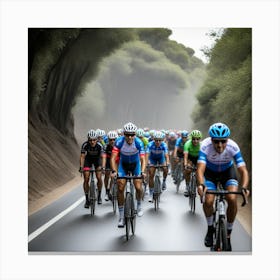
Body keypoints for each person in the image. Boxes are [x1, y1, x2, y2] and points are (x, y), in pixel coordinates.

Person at [196, 122, 250, 251]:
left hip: (227, 173)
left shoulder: (233, 147)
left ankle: (228, 234)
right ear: (211, 140)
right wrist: (201, 185)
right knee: (208, 200)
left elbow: (243, 170)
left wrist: (244, 188)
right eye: (216, 142)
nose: (220, 145)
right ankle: (210, 229)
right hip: (210, 174)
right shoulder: (205, 146)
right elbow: (200, 170)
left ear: (228, 140)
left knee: (231, 199)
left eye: (223, 141)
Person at [110, 122, 146, 228]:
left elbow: (143, 159)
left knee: (138, 187)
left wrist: (142, 172)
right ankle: (121, 216)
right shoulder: (119, 142)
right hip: (123, 165)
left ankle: (139, 205)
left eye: (132, 134)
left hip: (135, 165)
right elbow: (113, 158)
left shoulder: (139, 142)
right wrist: (113, 171)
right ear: (124, 134)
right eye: (127, 134)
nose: (130, 137)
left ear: (135, 134)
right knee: (120, 187)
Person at [79, 129, 104, 207]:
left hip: (97, 160)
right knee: (86, 178)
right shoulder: (85, 145)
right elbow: (82, 157)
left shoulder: (100, 145)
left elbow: (103, 157)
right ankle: (87, 200)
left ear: (97, 139)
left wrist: (102, 167)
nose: (92, 142)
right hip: (88, 160)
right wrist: (81, 167)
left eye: (94, 140)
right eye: (90, 140)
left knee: (99, 177)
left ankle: (99, 196)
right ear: (88, 139)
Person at [146, 131, 170, 202]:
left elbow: (166, 155)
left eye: (160, 140)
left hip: (161, 158)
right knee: (151, 175)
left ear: (162, 140)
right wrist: (148, 162)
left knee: (165, 168)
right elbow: (147, 155)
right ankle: (151, 194)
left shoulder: (164, 145)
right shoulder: (150, 144)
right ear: (154, 139)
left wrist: (167, 162)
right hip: (152, 159)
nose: (158, 142)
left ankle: (164, 181)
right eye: (156, 140)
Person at [183, 130, 202, 197]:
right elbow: (185, 157)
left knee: (199, 172)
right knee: (188, 170)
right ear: (191, 138)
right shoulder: (187, 144)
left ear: (200, 139)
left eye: (197, 139)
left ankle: (198, 185)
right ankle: (187, 186)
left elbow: (203, 158)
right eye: (194, 139)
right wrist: (185, 165)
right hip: (190, 158)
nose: (195, 141)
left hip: (198, 158)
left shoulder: (202, 145)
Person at [101, 130, 118, 201]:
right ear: (108, 140)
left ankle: (111, 189)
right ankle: (107, 191)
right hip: (108, 161)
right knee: (107, 175)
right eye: (111, 140)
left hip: (116, 161)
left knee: (113, 175)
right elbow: (104, 158)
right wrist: (103, 167)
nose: (112, 141)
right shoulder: (105, 147)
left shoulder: (118, 146)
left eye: (114, 139)